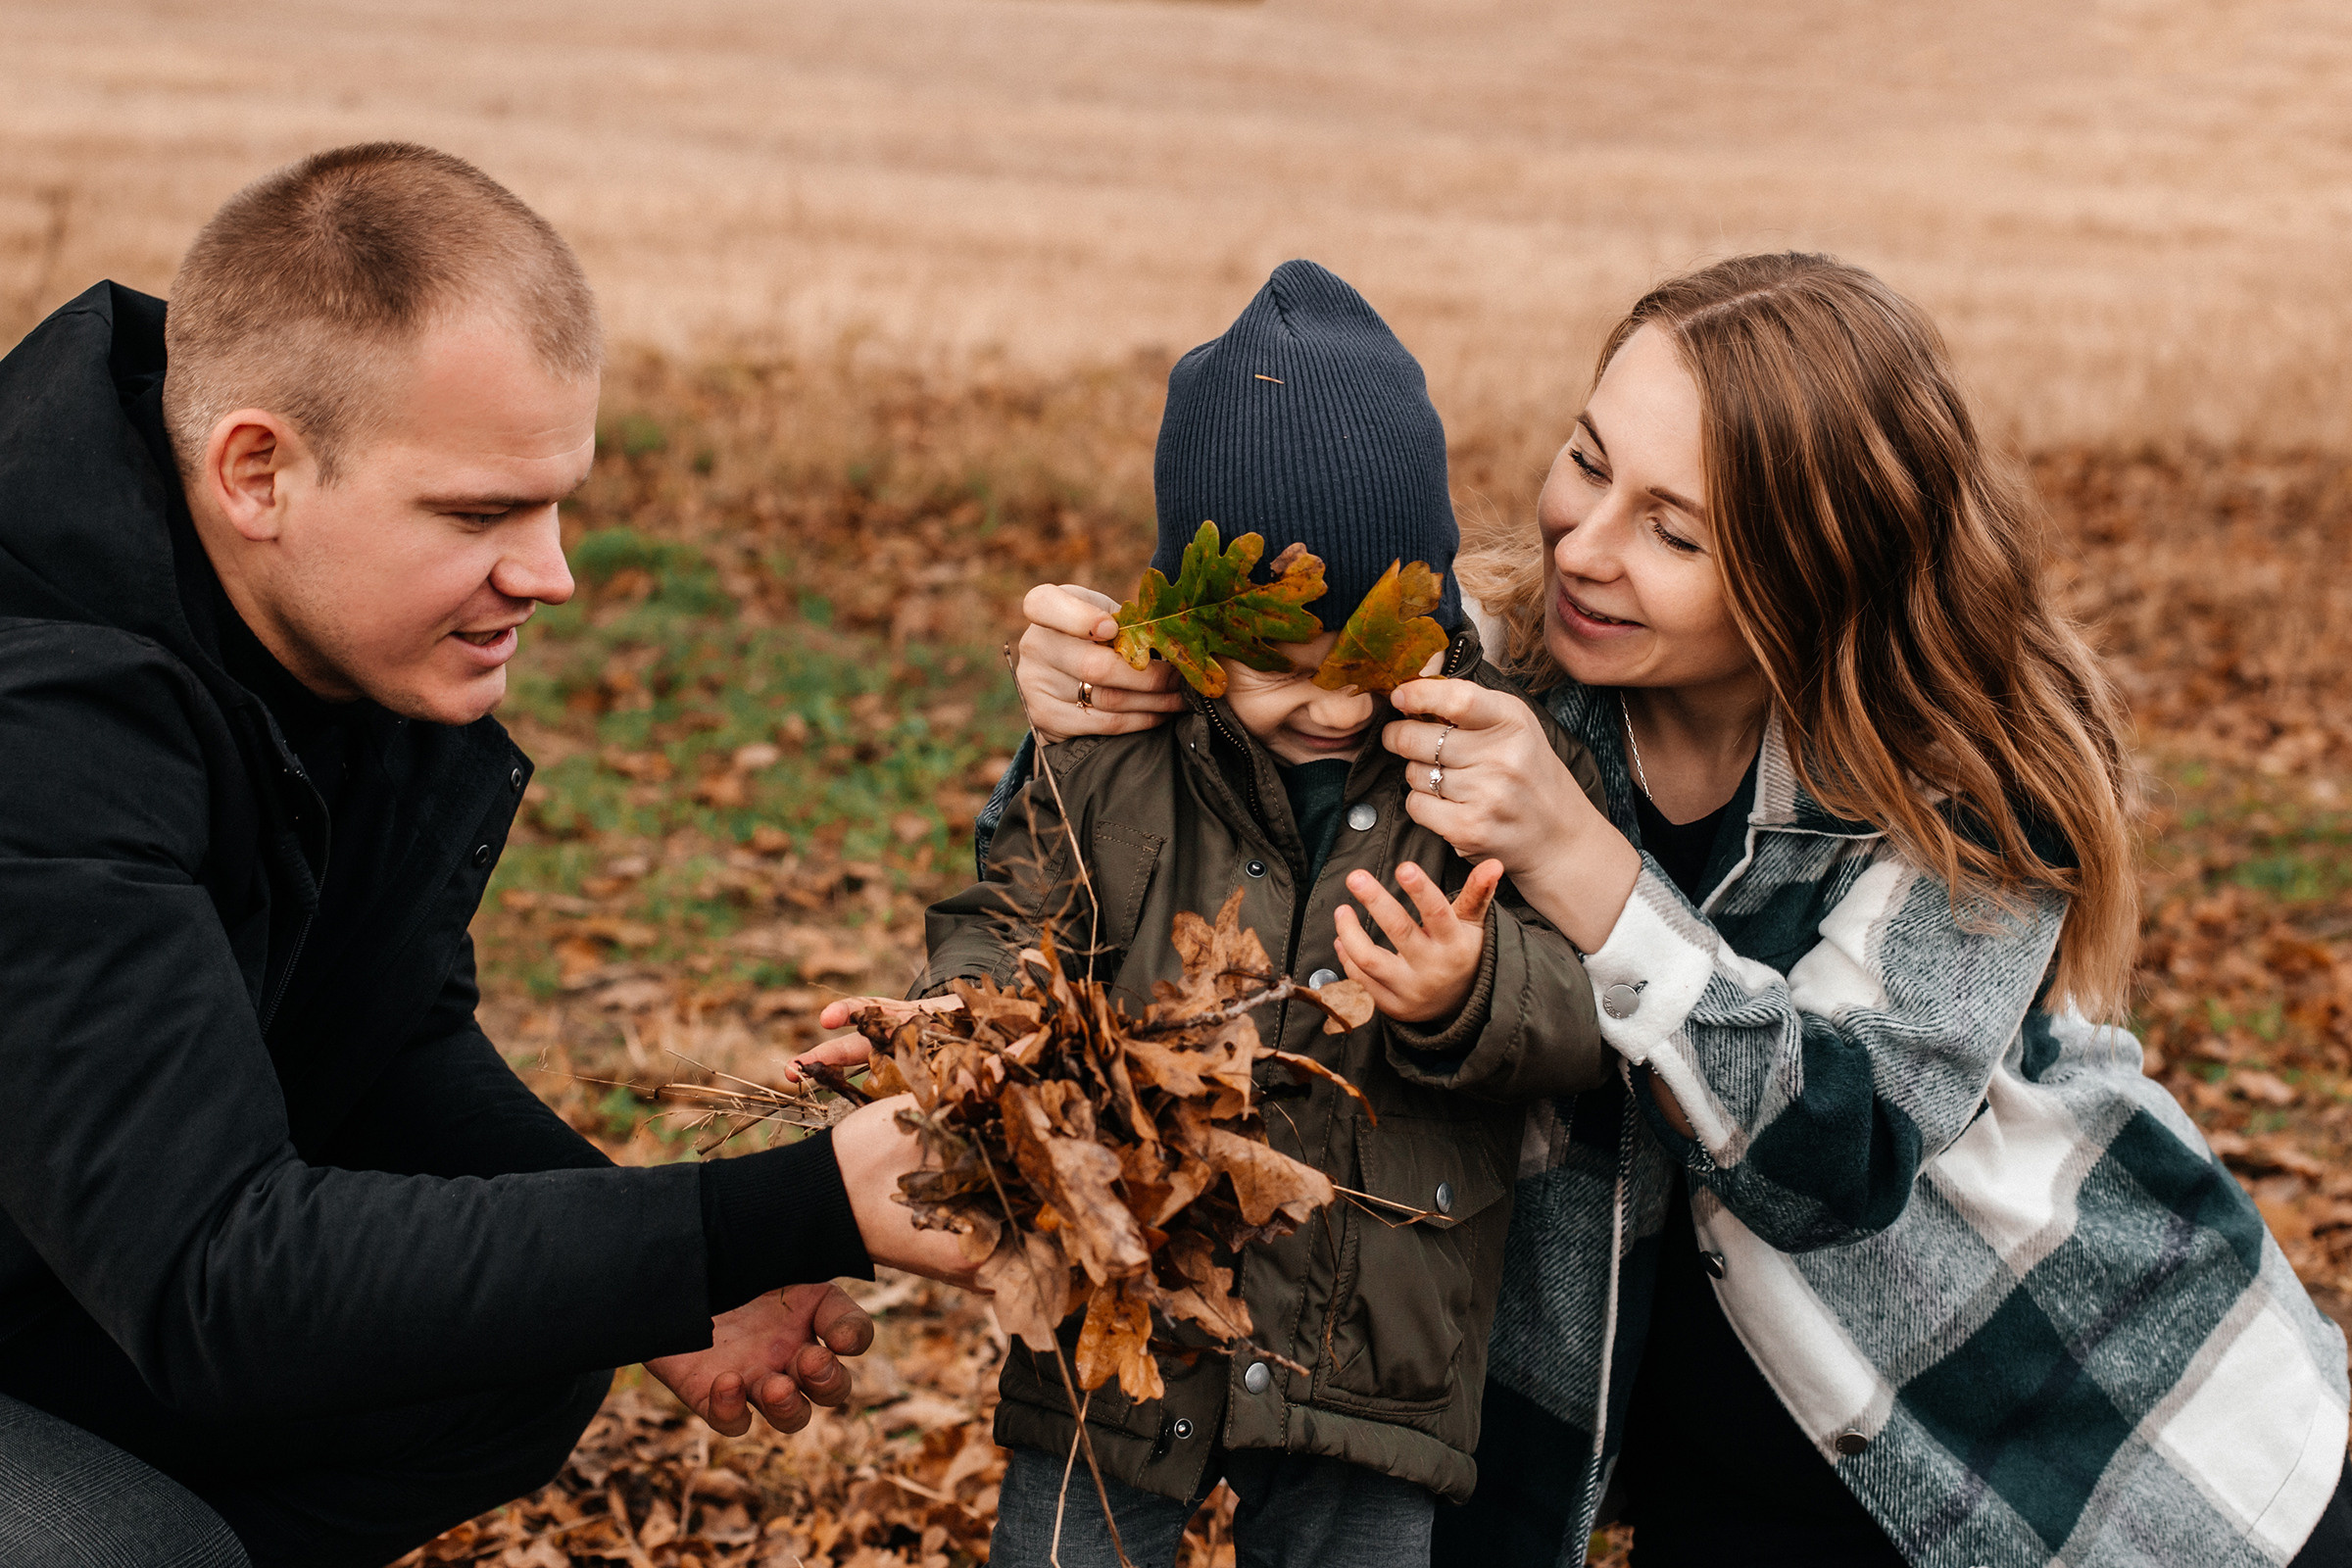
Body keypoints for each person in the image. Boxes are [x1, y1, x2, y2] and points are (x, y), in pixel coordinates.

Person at [1002, 253, 2352, 1566]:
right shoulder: (1491, 672)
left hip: (2105, 1454)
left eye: (1675, 531)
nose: (1582, 548)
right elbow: (1248, 733)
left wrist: (1587, 869)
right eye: (1588, 463)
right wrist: (1115, 673)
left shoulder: (1967, 789)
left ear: (1818, 571)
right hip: (1725, 1476)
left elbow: (1840, 1155)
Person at [0, 143, 963, 1568]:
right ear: (257, 468)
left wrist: (681, 1275)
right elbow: (216, 1277)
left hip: (70, 1254)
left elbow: (382, 1052)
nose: (550, 572)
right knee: (121, 1548)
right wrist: (785, 1207)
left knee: (522, 1347)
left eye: (554, 500)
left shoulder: (330, 638)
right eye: (478, 515)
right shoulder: (41, 719)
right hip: (135, 1268)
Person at [802, 261, 1611, 1567]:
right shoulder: (1114, 751)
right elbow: (1016, 915)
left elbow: (1589, 1006)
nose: (1339, 706)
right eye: (1286, 669)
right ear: (1184, 625)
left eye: (1374, 655)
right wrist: (959, 1025)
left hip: (1378, 1327)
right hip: (1122, 1302)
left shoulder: (1488, 762)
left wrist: (1476, 990)